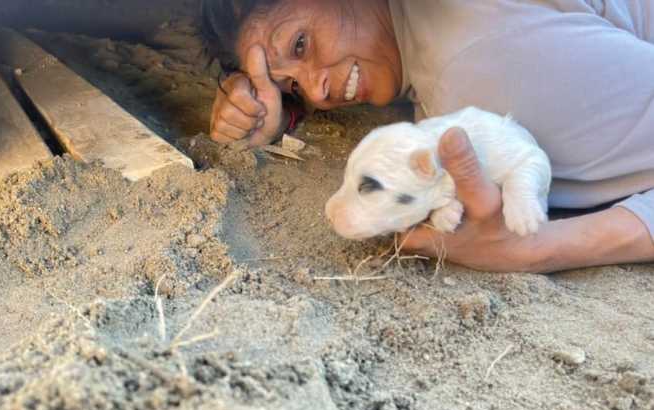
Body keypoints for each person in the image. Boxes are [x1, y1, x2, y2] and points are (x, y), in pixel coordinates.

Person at [200, 0, 654, 272]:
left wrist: (537, 249)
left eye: (300, 44)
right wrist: (283, 116)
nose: (317, 90)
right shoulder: (435, 34)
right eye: (293, 86)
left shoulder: (476, 70)